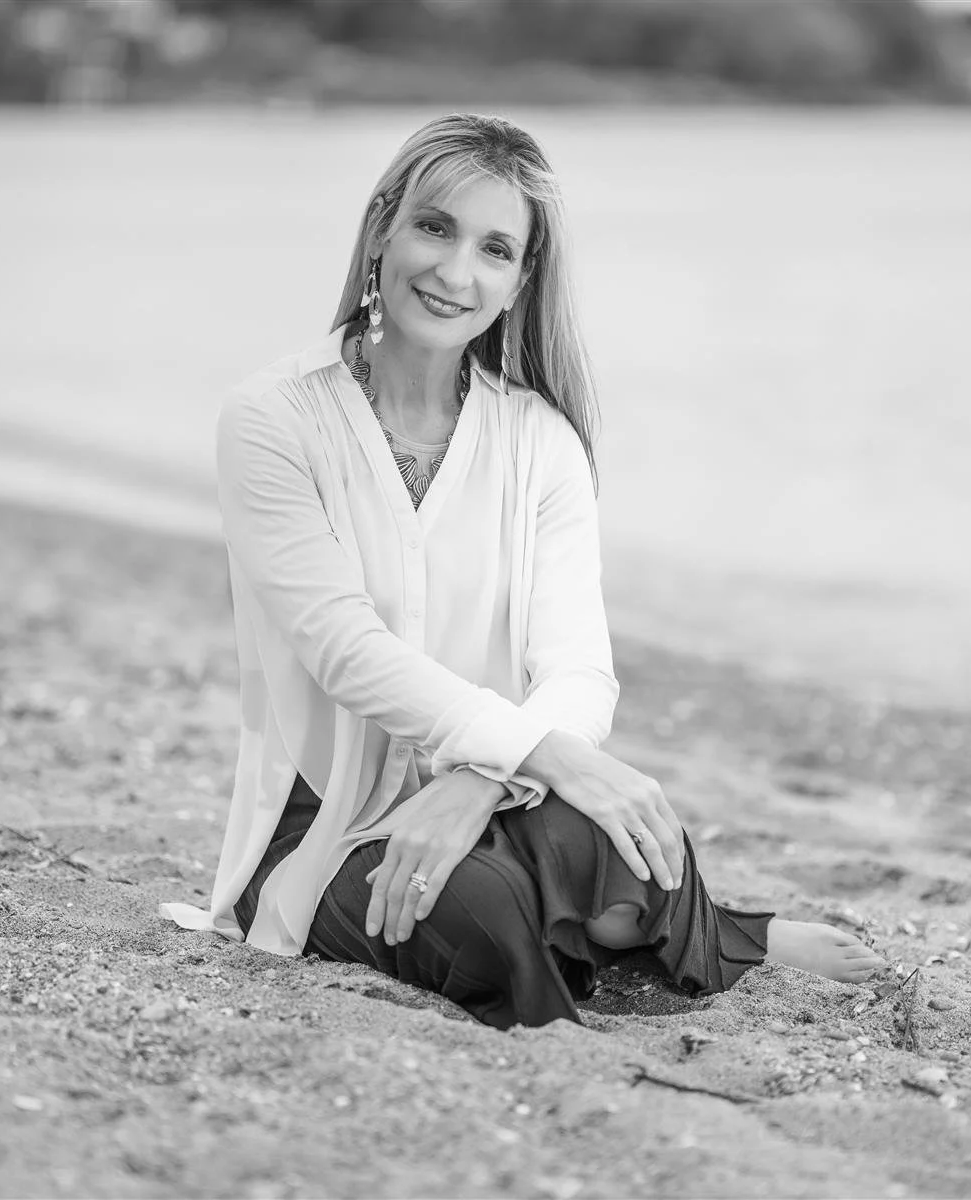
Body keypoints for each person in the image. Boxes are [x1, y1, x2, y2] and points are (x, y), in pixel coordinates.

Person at [161, 114, 884, 1029]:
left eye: (494, 249)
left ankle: (659, 919)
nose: (455, 272)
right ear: (382, 226)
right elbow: (344, 649)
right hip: (326, 823)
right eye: (434, 228)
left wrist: (482, 782)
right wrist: (541, 757)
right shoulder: (273, 419)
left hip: (505, 794)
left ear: (521, 279)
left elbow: (578, 669)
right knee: (491, 914)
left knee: (635, 852)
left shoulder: (540, 440)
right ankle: (692, 935)